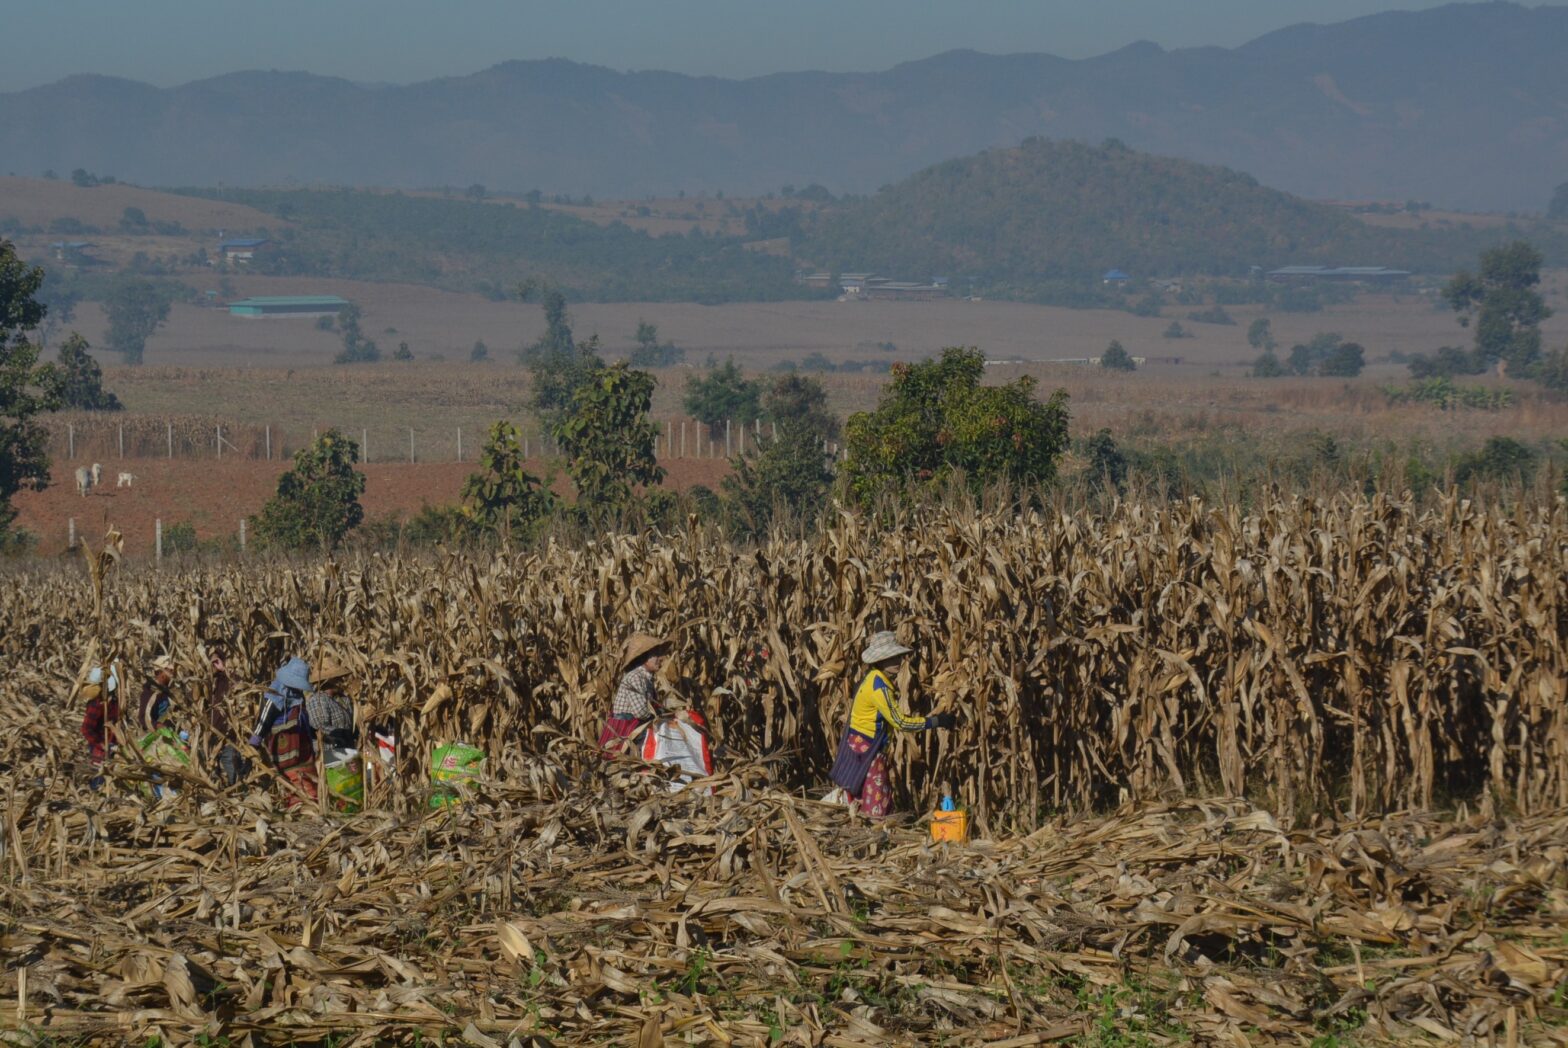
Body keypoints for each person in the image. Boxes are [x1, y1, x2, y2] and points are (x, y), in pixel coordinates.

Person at [829, 630, 955, 818]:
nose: (897, 662)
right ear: (880, 660)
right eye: (891, 658)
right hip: (867, 747)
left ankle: (857, 825)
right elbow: (900, 722)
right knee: (876, 794)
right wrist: (936, 721)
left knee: (857, 789)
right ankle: (875, 831)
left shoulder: (873, 678)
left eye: (897, 657)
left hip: (858, 744)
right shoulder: (879, 688)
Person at [247, 657, 318, 801]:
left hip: (303, 750)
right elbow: (263, 721)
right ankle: (303, 810)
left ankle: (308, 809)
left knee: (308, 784)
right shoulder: (275, 694)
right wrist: (252, 746)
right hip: (287, 749)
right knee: (297, 788)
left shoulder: (296, 694)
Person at [599, 634, 669, 755]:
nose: (660, 658)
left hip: (634, 725)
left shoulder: (646, 679)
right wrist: (658, 714)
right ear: (644, 658)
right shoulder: (635, 677)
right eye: (656, 655)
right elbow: (640, 712)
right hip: (626, 728)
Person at [305, 659, 358, 759]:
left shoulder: (342, 699)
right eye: (337, 678)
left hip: (348, 751)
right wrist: (340, 733)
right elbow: (319, 726)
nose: (341, 680)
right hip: (331, 754)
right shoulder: (318, 700)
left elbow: (351, 723)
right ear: (328, 680)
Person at [79, 666, 120, 790]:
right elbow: (86, 729)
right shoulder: (97, 705)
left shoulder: (113, 702)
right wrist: (101, 744)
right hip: (101, 746)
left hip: (113, 743)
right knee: (99, 776)